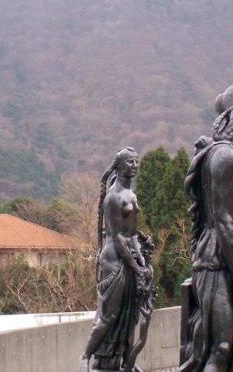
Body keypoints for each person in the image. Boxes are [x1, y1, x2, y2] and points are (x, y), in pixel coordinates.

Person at [181, 83, 233, 371]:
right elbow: (222, 219)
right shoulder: (225, 155)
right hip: (216, 257)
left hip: (230, 252)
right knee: (221, 345)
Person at [78, 147, 153, 372]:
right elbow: (118, 237)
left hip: (129, 258)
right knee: (109, 315)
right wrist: (135, 266)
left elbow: (132, 236)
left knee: (129, 316)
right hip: (114, 261)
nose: (135, 165)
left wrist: (142, 263)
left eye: (136, 161)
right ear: (119, 166)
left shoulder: (132, 195)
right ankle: (85, 355)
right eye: (130, 161)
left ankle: (124, 360)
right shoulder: (112, 197)